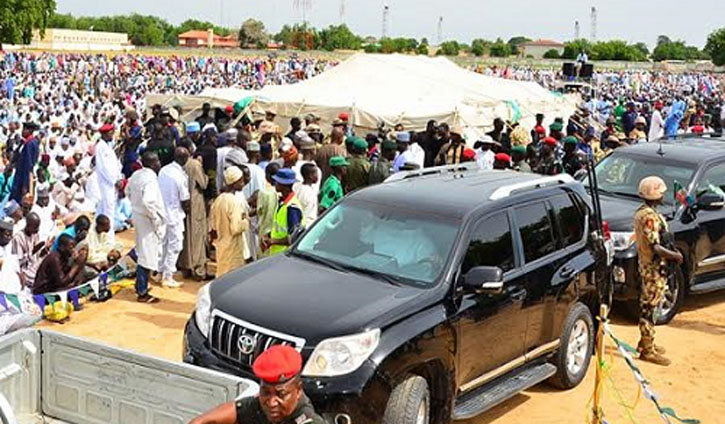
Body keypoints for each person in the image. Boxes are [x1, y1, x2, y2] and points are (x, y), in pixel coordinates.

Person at [190, 345, 325, 424]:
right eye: (266, 392)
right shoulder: (263, 404)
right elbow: (236, 410)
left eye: (281, 394)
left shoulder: (308, 420)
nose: (272, 403)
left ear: (298, 390)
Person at [633, 176, 683, 366]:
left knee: (650, 304)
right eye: (660, 192)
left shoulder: (644, 213)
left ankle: (645, 342)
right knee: (650, 308)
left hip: (649, 266)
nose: (663, 196)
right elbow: (656, 247)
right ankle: (648, 350)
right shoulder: (649, 218)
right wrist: (675, 256)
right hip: (653, 267)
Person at [126, 152, 166, 303]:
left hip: (138, 217)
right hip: (147, 219)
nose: (159, 164)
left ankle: (141, 284)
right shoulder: (150, 179)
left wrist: (135, 206)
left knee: (144, 250)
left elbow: (127, 191)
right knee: (147, 254)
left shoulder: (136, 175)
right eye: (157, 161)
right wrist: (154, 217)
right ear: (152, 163)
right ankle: (142, 291)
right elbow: (148, 201)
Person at [158, 147, 191, 288]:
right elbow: (185, 199)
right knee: (175, 245)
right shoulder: (180, 176)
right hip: (175, 215)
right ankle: (168, 276)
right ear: (184, 159)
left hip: (162, 214)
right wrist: (188, 211)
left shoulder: (164, 170)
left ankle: (160, 271)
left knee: (164, 244)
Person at [210, 167, 250, 277]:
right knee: (232, 277)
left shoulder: (219, 199)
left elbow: (213, 226)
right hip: (232, 247)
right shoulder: (233, 201)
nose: (243, 183)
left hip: (221, 245)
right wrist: (245, 220)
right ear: (234, 182)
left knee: (221, 273)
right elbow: (236, 228)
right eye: (241, 181)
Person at [179, 142, 210, 281]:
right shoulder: (195, 165)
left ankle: (185, 266)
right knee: (197, 236)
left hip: (183, 203)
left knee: (186, 235)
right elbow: (203, 183)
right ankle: (198, 270)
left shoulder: (179, 164)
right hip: (195, 203)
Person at [262, 169, 304, 256]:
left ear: (284, 185)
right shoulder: (282, 202)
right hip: (277, 254)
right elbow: (280, 228)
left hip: (285, 255)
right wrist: (269, 235)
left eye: (277, 182)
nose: (275, 184)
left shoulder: (292, 207)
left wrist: (273, 241)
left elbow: (294, 237)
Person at [94, 123, 122, 235]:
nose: (113, 135)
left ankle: (99, 234)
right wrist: (115, 181)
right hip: (107, 183)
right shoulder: (101, 147)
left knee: (105, 209)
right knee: (108, 210)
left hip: (111, 183)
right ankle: (108, 236)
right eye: (111, 133)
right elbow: (105, 168)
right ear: (105, 134)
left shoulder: (107, 146)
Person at [11, 212, 46, 287]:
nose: (38, 230)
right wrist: (33, 251)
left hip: (33, 266)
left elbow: (36, 256)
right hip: (23, 271)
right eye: (35, 227)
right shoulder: (18, 238)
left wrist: (42, 251)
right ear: (28, 225)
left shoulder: (35, 234)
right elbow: (18, 262)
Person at [10, 122, 40, 203]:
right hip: (19, 174)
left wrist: (25, 184)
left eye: (24, 129)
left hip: (23, 177)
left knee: (17, 200)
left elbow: (28, 165)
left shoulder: (30, 144)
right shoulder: (26, 142)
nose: (22, 131)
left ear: (30, 130)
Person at [296, 163, 319, 227]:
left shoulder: (297, 186)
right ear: (310, 176)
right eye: (316, 173)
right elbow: (307, 216)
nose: (317, 176)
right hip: (308, 226)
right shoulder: (309, 193)